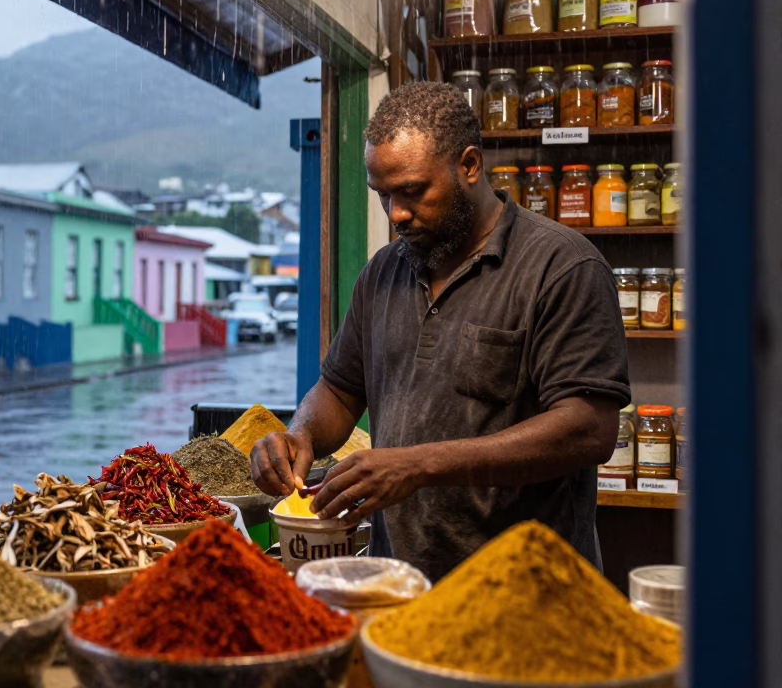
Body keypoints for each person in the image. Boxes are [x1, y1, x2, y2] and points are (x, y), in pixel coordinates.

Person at [251, 81, 629, 581]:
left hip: (529, 593)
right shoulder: (383, 273)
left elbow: (587, 429)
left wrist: (417, 465)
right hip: (404, 586)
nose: (396, 215)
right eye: (383, 196)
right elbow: (341, 392)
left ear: (469, 165)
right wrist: (300, 434)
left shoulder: (562, 267)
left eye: (412, 191)